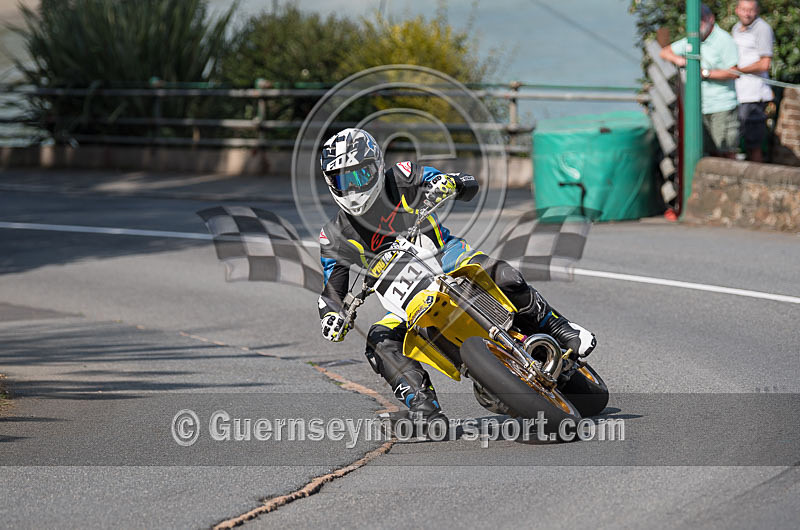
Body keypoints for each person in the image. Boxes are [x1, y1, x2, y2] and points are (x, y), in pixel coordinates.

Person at [316, 128, 596, 422]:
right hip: (405, 301)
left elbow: (447, 179)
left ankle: (559, 326)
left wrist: (447, 183)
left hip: (448, 260)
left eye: (360, 175)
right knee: (379, 340)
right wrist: (331, 317)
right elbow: (331, 293)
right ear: (330, 183)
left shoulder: (400, 176)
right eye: (343, 180)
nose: (354, 187)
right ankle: (424, 409)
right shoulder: (333, 235)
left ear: (375, 166)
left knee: (502, 273)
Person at [660, 4, 740, 158]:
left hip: (721, 105)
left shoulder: (724, 39)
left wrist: (705, 73)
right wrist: (681, 61)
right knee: (707, 152)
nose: (699, 25)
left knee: (725, 150)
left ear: (710, 19)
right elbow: (665, 52)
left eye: (701, 21)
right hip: (700, 106)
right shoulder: (694, 38)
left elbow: (734, 72)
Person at [732, 0, 774, 162]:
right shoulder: (736, 28)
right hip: (738, 93)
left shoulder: (762, 29)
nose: (747, 13)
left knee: (754, 144)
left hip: (754, 95)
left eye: (750, 10)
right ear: (736, 10)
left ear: (756, 11)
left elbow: (765, 64)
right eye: (743, 9)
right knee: (737, 142)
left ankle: (757, 182)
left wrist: (737, 70)